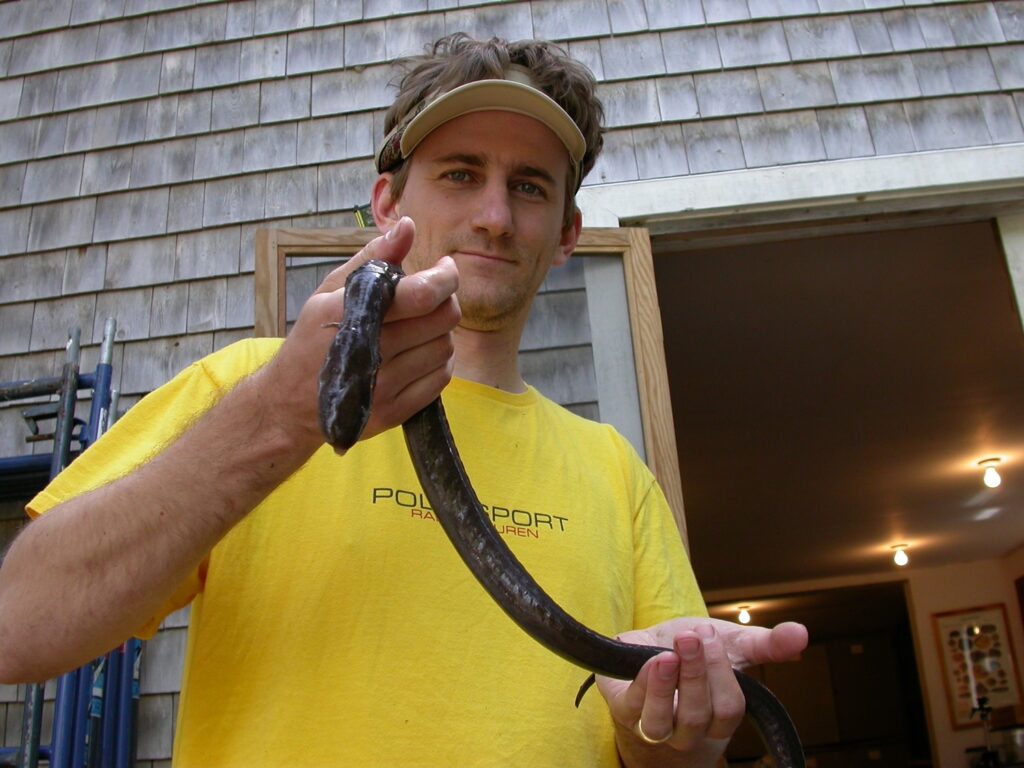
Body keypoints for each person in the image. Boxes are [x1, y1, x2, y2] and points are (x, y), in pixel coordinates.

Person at [0, 34, 807, 767]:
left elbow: (677, 760)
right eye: (460, 173)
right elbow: (18, 627)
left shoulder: (615, 472)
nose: (493, 216)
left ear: (567, 234)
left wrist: (655, 724)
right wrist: (279, 417)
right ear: (388, 205)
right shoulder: (248, 386)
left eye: (528, 187)